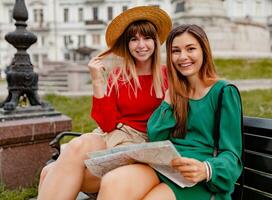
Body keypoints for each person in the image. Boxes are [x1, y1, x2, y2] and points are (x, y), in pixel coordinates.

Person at [37, 6, 171, 200]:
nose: (141, 45)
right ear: (127, 44)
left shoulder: (168, 76)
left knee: (49, 173)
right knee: (74, 148)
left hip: (140, 144)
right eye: (134, 39)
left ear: (156, 41)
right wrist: (97, 80)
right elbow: (107, 124)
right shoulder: (119, 75)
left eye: (146, 38)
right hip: (112, 134)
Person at [96, 24, 243, 200]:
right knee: (114, 181)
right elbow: (156, 137)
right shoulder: (175, 92)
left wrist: (206, 169)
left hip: (198, 177)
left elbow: (232, 155)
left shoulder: (223, 91)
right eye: (175, 51)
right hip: (165, 167)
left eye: (190, 49)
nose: (183, 57)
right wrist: (167, 102)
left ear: (204, 50)